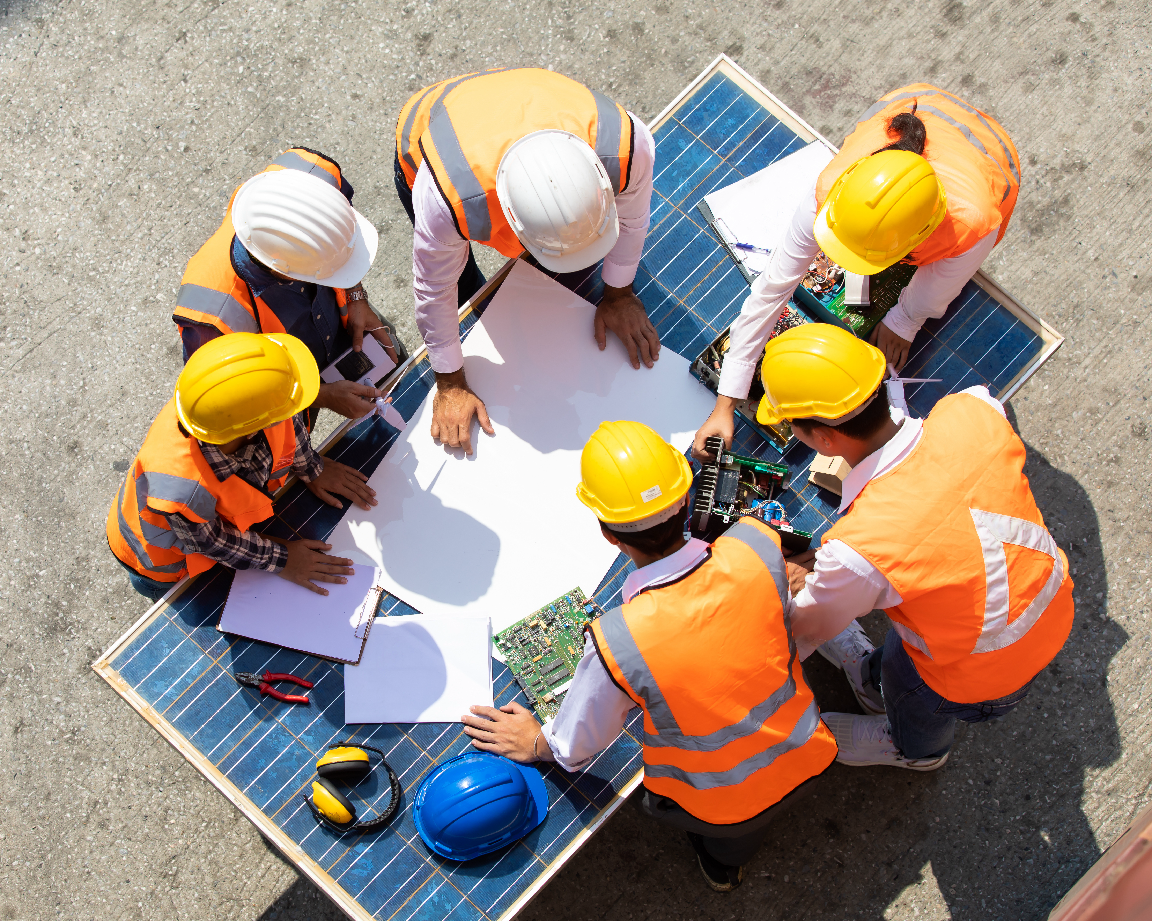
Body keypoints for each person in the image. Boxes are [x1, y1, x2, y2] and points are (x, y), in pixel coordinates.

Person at [460, 421, 836, 891]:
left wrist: (538, 742)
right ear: (685, 502)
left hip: (724, 799)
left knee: (730, 833)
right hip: (809, 741)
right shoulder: (757, 543)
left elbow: (574, 749)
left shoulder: (618, 641)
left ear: (608, 534)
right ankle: (727, 858)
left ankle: (723, 866)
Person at [757, 324, 1073, 770]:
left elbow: (807, 630)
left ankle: (916, 751)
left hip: (978, 676)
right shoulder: (973, 407)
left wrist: (797, 587)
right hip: (1050, 607)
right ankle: (870, 677)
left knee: (914, 695)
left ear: (823, 438)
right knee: (900, 660)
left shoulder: (861, 547)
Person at [694, 84, 1021, 459]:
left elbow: (937, 287)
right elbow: (771, 289)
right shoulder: (831, 190)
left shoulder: (969, 225)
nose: (843, 269)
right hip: (918, 103)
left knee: (938, 283)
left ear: (915, 240)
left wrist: (905, 320)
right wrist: (725, 404)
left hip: (992, 158)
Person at [394, 68, 660, 454]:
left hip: (524, 103)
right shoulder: (448, 198)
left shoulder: (626, 146)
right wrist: (450, 382)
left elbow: (633, 220)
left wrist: (620, 293)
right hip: (429, 130)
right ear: (513, 223)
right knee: (468, 291)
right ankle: (482, 304)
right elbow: (434, 288)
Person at [107, 332, 377, 602]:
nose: (287, 413)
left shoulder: (230, 408)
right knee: (189, 602)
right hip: (162, 562)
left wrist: (312, 468)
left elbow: (285, 417)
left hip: (214, 531)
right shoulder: (181, 490)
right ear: (250, 432)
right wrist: (283, 560)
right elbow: (214, 543)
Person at [173, 148, 403, 422]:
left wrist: (356, 295)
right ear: (283, 270)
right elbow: (241, 399)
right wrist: (322, 395)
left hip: (346, 324)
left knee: (398, 375)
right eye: (328, 272)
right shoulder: (212, 320)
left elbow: (342, 240)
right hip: (288, 383)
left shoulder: (313, 171)